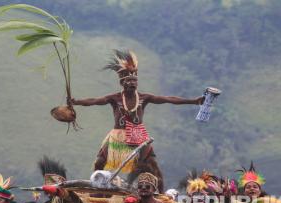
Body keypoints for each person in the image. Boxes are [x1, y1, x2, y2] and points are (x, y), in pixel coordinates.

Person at [71, 50, 204, 193]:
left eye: (135, 81)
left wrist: (193, 101)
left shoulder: (143, 98)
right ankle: (96, 189)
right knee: (99, 162)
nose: (132, 83)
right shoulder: (115, 98)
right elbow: (95, 101)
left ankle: (160, 195)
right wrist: (76, 102)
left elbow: (168, 99)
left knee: (153, 166)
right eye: (129, 81)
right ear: (122, 83)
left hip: (138, 135)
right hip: (117, 136)